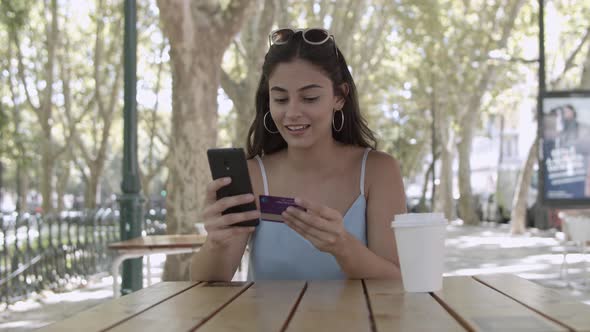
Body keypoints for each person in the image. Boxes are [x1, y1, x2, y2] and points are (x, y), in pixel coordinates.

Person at [191, 28, 406, 281]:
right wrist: (215, 242)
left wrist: (342, 247)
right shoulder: (252, 175)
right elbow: (208, 287)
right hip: (266, 323)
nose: (292, 112)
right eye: (281, 99)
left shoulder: (378, 171)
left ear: (340, 96)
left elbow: (396, 281)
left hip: (359, 322)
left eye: (309, 98)